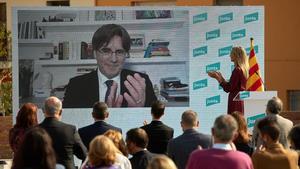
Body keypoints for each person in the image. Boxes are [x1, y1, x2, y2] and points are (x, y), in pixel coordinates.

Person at [63, 24, 157, 108]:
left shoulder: (141, 83)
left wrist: (139, 112)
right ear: (95, 53)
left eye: (119, 52)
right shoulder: (76, 85)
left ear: (126, 54)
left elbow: (155, 123)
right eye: (106, 51)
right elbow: (68, 124)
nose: (113, 59)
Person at [186, 115, 253, 169]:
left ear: (212, 131)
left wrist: (199, 157)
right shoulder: (244, 160)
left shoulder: (197, 157)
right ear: (235, 136)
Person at [40, 96, 87, 169]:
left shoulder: (34, 131)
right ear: (61, 111)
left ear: (44, 111)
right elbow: (84, 154)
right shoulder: (70, 130)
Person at [208, 46, 249, 115]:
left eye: (231, 53)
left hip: (235, 100)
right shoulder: (244, 69)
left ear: (236, 55)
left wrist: (218, 78)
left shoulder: (237, 70)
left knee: (234, 122)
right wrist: (221, 78)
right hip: (240, 99)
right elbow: (233, 85)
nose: (229, 55)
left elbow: (229, 88)